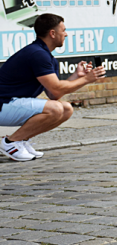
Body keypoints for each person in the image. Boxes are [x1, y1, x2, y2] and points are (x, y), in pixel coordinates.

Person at [0, 13, 105, 162]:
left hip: (10, 104)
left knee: (66, 109)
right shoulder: (37, 54)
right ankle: (10, 143)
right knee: (55, 109)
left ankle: (21, 140)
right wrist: (87, 79)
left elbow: (53, 94)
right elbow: (56, 90)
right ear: (53, 33)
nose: (66, 34)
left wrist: (77, 76)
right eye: (64, 30)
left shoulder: (45, 55)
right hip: (3, 104)